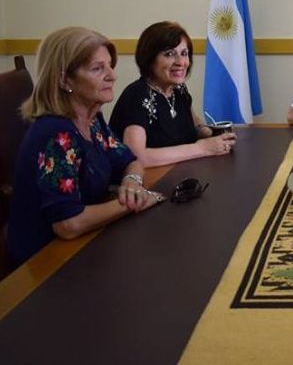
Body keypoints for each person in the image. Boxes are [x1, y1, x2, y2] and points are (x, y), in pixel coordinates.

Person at [7, 27, 164, 267]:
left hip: (85, 244)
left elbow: (130, 160)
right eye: (97, 68)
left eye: (110, 65)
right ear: (64, 79)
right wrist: (135, 201)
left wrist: (132, 182)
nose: (112, 75)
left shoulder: (92, 120)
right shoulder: (57, 134)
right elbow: (68, 225)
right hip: (45, 266)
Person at [109, 21, 236, 167]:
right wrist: (202, 148)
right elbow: (137, 156)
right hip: (146, 183)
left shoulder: (178, 89)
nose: (181, 62)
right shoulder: (137, 95)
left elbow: (195, 125)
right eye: (170, 54)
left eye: (184, 53)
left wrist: (211, 134)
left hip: (180, 174)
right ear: (149, 59)